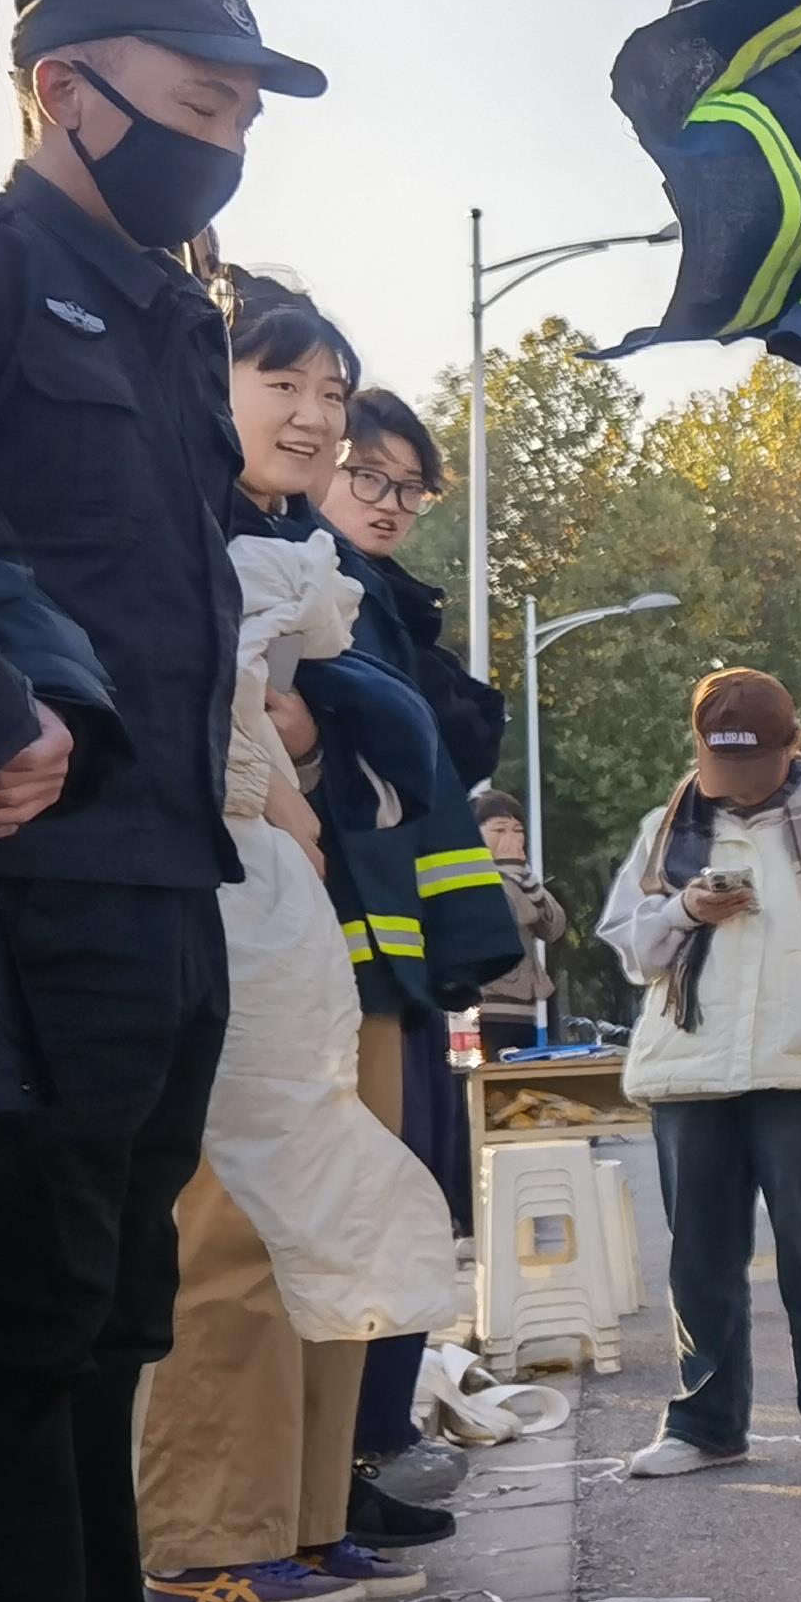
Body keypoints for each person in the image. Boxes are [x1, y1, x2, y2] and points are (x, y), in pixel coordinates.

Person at [0, 0, 326, 1602]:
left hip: (170, 868)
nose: (222, 153)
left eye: (240, 121)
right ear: (61, 91)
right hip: (36, 871)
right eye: (196, 114)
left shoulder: (169, 325)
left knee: (110, 1303)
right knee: (14, 1307)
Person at [138, 275, 459, 1602]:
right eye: (287, 387)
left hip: (294, 916)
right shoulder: (166, 527)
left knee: (316, 1218)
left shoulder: (297, 557)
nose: (318, 418)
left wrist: (297, 752)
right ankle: (208, 1534)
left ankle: (302, 1515)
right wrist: (258, 763)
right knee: (233, 1228)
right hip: (205, 909)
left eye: (333, 391)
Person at [309, 381, 519, 1494]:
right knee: (343, 1211)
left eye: (408, 486)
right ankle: (345, 1463)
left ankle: (366, 1452)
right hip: (330, 954)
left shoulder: (379, 602)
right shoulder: (304, 588)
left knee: (399, 1201)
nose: (389, 502)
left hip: (396, 963)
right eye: (369, 477)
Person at [597, 670, 801, 1481]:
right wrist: (686, 910)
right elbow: (630, 952)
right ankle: (704, 1423)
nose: (737, 786)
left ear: (794, 744)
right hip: (690, 1065)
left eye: (756, 763)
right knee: (700, 1256)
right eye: (724, 765)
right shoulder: (667, 829)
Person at [468, 791, 567, 1058]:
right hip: (481, 1008)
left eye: (517, 829)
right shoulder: (468, 879)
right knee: (481, 1089)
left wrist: (525, 876)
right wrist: (510, 872)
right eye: (499, 830)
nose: (510, 838)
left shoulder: (522, 879)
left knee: (518, 1086)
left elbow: (553, 926)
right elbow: (515, 914)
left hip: (524, 1009)